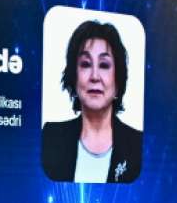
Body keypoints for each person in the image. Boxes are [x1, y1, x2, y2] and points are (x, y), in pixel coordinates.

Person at [41, 20, 143, 184]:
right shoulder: (50, 137)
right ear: (74, 77)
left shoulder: (139, 145)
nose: (95, 76)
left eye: (104, 65)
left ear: (118, 81)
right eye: (86, 64)